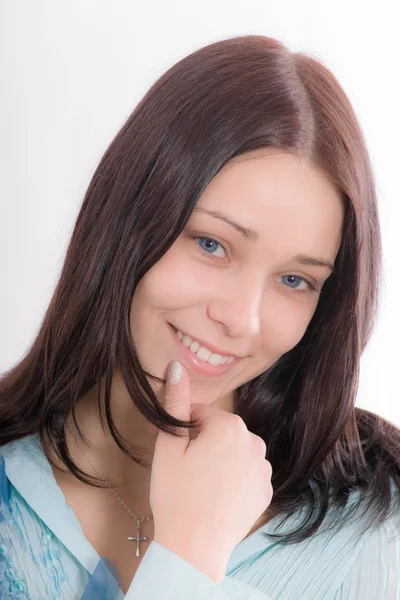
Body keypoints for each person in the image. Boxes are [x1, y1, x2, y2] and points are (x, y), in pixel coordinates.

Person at [0, 34, 399, 599]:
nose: (242, 319)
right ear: (127, 222)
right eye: (212, 244)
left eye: (294, 280)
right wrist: (187, 555)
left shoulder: (376, 535)